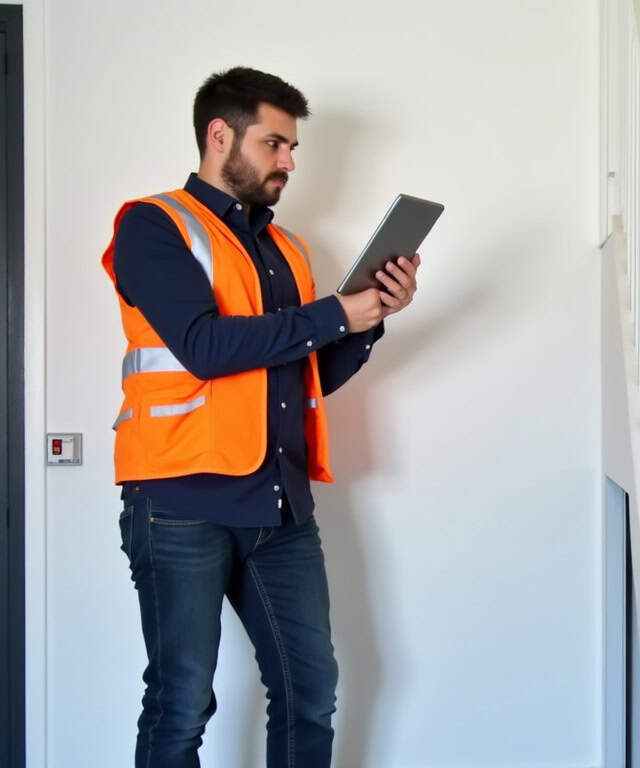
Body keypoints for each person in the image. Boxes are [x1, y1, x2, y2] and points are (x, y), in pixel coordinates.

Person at [102, 66, 419, 768]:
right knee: (182, 701)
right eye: (275, 144)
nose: (290, 162)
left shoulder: (287, 250)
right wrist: (337, 312)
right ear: (221, 137)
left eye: (292, 147)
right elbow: (205, 348)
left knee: (311, 688)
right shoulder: (153, 226)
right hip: (180, 500)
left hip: (279, 505)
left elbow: (306, 377)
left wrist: (370, 321)